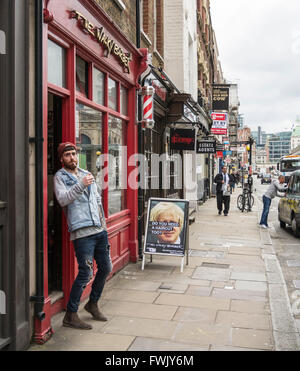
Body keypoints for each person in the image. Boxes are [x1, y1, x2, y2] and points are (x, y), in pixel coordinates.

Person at [54, 142, 112, 330]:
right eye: (68, 155)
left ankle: (92, 303)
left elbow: (97, 201)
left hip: (99, 230)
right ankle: (71, 314)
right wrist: (80, 185)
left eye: (74, 154)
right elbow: (63, 199)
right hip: (82, 233)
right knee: (86, 272)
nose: (72, 157)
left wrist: (103, 226)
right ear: (61, 159)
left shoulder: (86, 173)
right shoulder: (60, 177)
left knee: (106, 267)